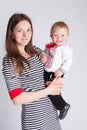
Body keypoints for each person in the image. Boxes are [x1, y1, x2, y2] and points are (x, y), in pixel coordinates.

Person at [2, 13, 64, 130]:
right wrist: (48, 90)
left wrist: (58, 80)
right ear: (11, 33)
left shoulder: (37, 51)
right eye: (20, 30)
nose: (26, 35)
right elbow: (17, 99)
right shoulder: (10, 61)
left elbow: (50, 72)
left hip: (51, 113)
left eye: (29, 30)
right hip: (35, 120)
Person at [44, 21, 73, 120]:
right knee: (46, 89)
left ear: (67, 36)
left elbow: (68, 61)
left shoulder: (65, 49)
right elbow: (44, 53)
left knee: (53, 91)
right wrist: (42, 55)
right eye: (56, 35)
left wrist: (61, 71)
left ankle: (63, 106)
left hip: (56, 72)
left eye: (62, 35)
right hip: (47, 71)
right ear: (51, 36)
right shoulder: (49, 46)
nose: (59, 38)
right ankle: (55, 106)